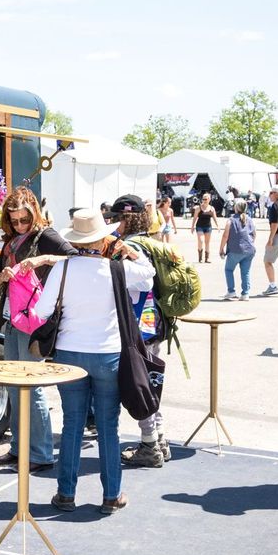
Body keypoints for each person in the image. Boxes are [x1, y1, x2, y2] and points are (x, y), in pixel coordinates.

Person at [32, 208, 142, 514]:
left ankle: (65, 494)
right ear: (102, 238)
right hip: (107, 354)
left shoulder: (63, 269)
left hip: (69, 355)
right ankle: (112, 495)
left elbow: (40, 312)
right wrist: (129, 252)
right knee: (109, 427)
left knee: (72, 425)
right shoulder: (116, 269)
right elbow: (149, 276)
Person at [0, 187, 76, 472]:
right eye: (15, 221)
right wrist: (2, 276)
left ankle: (39, 453)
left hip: (34, 320)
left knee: (32, 387)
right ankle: (18, 448)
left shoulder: (46, 236)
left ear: (34, 213)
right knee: (15, 385)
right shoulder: (10, 241)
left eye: (25, 219)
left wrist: (41, 260)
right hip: (12, 318)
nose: (20, 225)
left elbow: (78, 259)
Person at [103, 195, 166, 467]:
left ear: (122, 219)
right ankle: (160, 440)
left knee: (140, 387)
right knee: (151, 384)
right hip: (153, 323)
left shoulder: (128, 246)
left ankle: (150, 445)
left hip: (136, 326)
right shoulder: (150, 241)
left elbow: (138, 285)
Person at [219, 198, 257, 301]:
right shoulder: (250, 219)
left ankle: (231, 291)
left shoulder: (231, 220)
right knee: (246, 272)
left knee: (229, 269)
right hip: (249, 250)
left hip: (235, 249)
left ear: (235, 207)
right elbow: (254, 235)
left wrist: (221, 248)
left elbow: (225, 236)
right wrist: (249, 244)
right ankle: (245, 293)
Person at [191, 193, 218, 262]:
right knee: (201, 241)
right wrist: (192, 227)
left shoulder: (212, 208)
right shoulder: (198, 208)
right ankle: (200, 258)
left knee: (207, 242)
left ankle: (207, 258)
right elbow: (194, 218)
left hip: (208, 227)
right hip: (199, 226)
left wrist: (218, 226)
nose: (204, 200)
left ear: (209, 199)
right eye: (203, 199)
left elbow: (215, 218)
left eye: (206, 199)